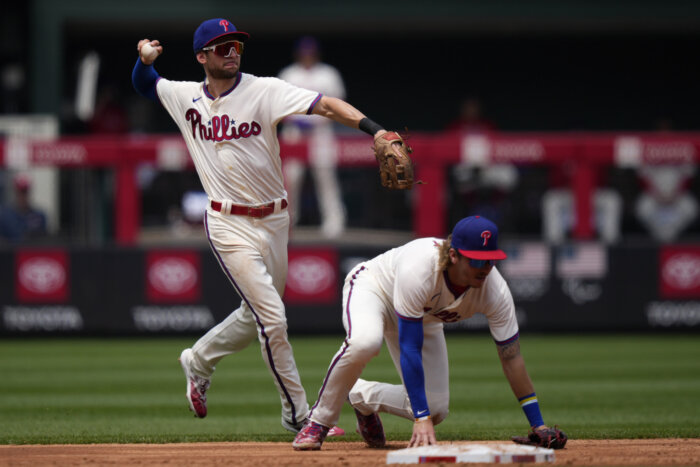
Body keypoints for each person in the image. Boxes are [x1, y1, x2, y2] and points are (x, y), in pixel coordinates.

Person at [131, 18, 399, 434]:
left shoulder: (265, 89)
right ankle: (299, 415)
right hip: (226, 223)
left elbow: (326, 105)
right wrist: (144, 60)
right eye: (221, 47)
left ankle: (198, 360)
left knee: (251, 316)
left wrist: (375, 129)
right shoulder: (185, 97)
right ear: (202, 57)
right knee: (272, 319)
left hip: (274, 220)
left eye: (236, 44)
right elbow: (147, 84)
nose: (232, 51)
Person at [292, 215, 565, 450]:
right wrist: (419, 419)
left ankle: (361, 396)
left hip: (423, 315)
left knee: (436, 409)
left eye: (490, 260)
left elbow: (511, 358)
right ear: (454, 255)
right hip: (375, 290)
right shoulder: (421, 269)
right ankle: (319, 421)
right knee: (365, 342)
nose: (485, 268)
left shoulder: (495, 291)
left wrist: (538, 424)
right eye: (476, 261)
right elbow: (409, 347)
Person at [278, 36, 347, 238]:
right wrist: (295, 120)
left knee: (325, 176)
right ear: (298, 54)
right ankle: (287, 222)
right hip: (294, 131)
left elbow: (338, 104)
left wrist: (316, 120)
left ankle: (334, 222)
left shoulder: (328, 74)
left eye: (311, 53)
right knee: (290, 178)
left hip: (321, 130)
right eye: (304, 52)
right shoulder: (288, 73)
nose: (307, 56)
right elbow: (278, 105)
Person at [0, 174, 47, 242]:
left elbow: (44, 241)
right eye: (20, 192)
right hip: (11, 252)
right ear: (15, 192)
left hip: (31, 251)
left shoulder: (39, 216)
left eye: (25, 192)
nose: (22, 196)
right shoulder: (4, 216)